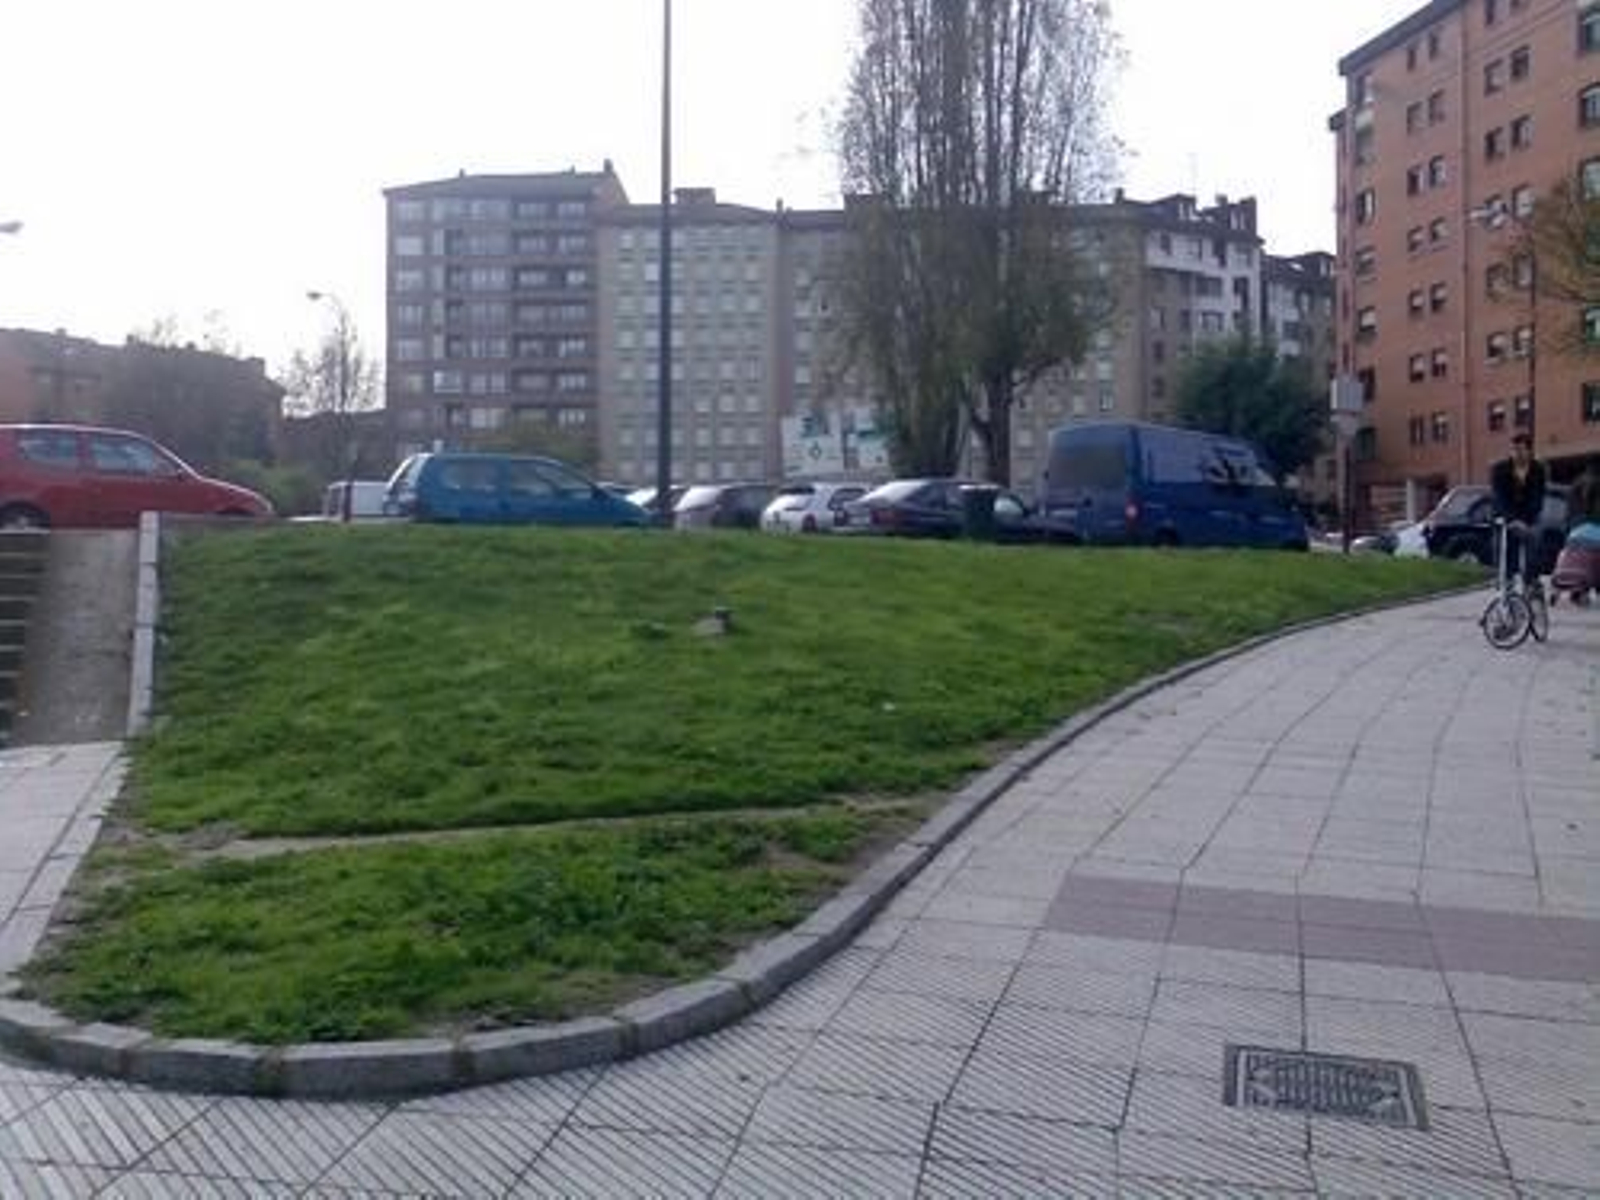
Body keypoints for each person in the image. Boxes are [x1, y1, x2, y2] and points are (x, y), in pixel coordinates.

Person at [1489, 431, 1547, 586]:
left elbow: (1538, 497)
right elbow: (1499, 498)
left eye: (1520, 450)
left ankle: (1531, 578)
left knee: (1536, 536)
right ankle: (1505, 577)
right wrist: (1512, 520)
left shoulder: (1538, 469)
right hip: (1506, 514)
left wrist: (1526, 522)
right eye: (1514, 450)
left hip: (1529, 516)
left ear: (1529, 451)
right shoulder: (1499, 469)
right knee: (1502, 540)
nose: (1516, 454)